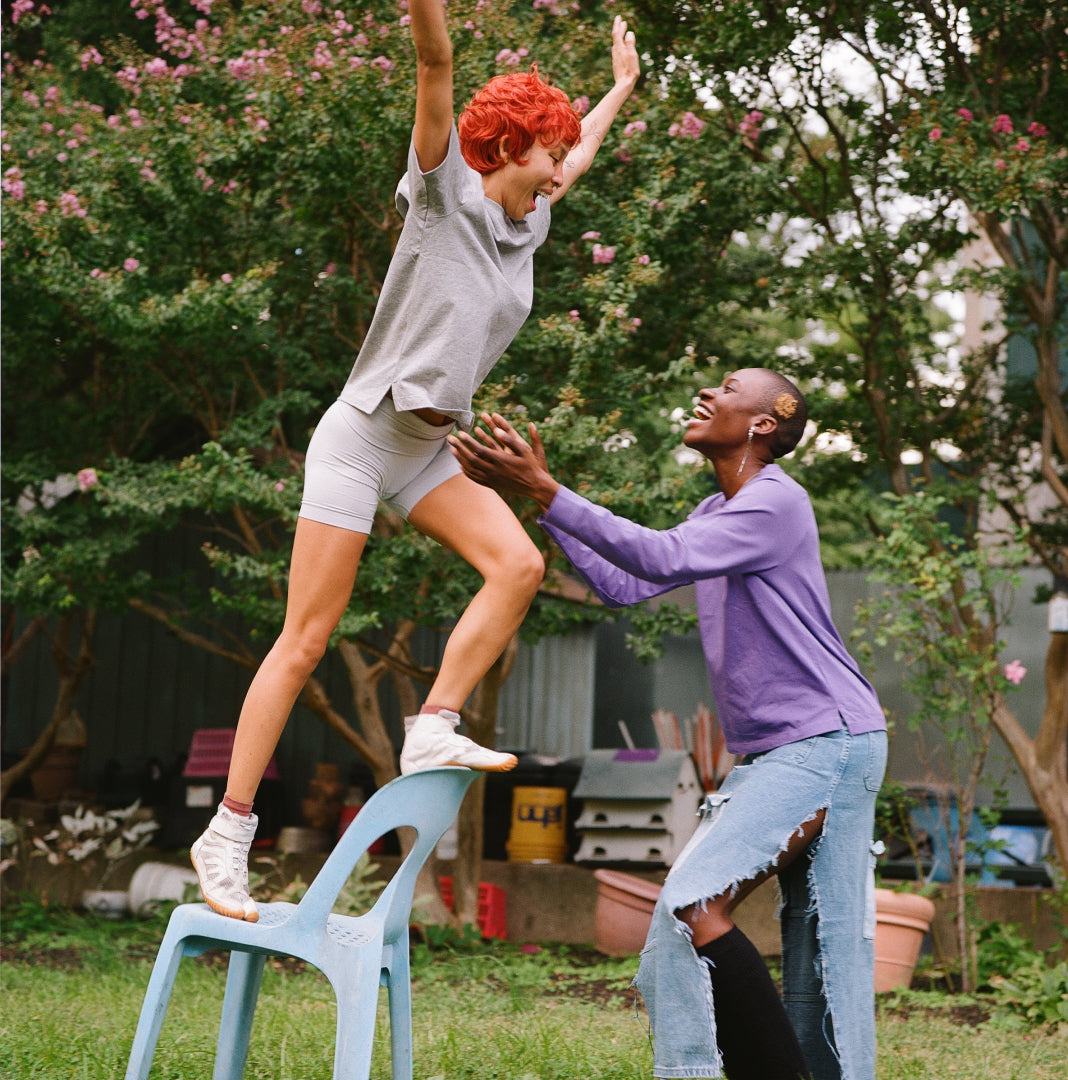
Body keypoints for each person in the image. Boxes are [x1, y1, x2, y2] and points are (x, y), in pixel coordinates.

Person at [190, 0, 640, 923]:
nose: (562, 170)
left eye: (560, 157)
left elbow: (582, 150)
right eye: (547, 153)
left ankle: (432, 725)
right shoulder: (440, 196)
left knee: (517, 564)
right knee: (306, 638)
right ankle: (227, 834)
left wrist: (621, 91)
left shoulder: (531, 220)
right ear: (510, 149)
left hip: (427, 448)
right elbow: (435, 66)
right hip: (360, 440)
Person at [449, 368, 888, 1080]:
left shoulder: (776, 503)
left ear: (763, 423)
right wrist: (546, 506)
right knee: (796, 953)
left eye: (728, 386)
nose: (707, 391)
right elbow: (628, 582)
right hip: (793, 748)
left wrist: (548, 490)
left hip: (827, 743)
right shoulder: (718, 512)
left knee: (718, 916)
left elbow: (662, 555)